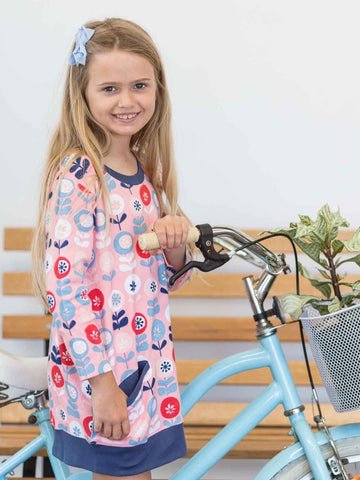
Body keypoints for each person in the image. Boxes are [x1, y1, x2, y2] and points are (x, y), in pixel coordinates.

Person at [31, 17, 192, 480]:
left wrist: (174, 248)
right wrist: (102, 385)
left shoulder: (145, 174)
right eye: (109, 89)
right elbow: (66, 288)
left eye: (139, 85)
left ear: (157, 89)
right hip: (103, 375)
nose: (127, 101)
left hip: (143, 367)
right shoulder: (81, 176)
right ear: (82, 95)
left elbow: (158, 279)